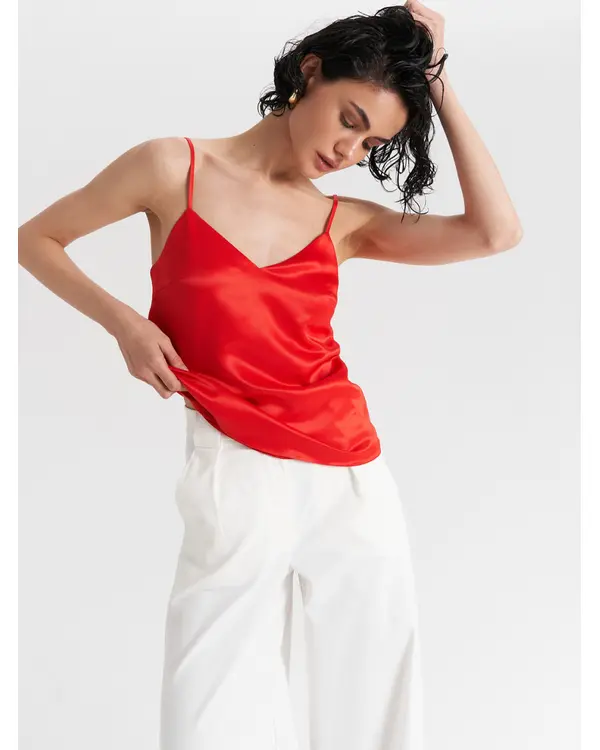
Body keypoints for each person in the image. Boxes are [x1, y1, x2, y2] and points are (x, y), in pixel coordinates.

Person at [18, 3, 523, 748]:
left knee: (374, 700)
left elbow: (495, 231)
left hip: (349, 477)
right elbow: (37, 239)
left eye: (372, 143)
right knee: (208, 708)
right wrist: (124, 323)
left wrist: (438, 81)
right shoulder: (172, 168)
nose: (349, 150)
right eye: (349, 119)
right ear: (309, 73)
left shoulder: (343, 221)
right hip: (233, 465)